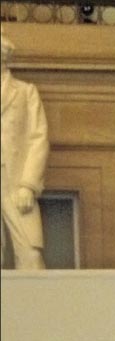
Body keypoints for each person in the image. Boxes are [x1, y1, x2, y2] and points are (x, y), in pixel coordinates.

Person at [1, 33, 49, 269]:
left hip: (14, 180)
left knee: (31, 254)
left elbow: (38, 138)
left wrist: (28, 184)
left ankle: (37, 305)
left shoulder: (25, 92)